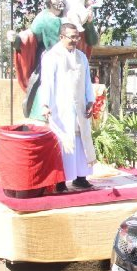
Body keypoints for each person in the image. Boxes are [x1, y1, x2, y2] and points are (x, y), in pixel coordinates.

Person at [40, 23, 97, 192]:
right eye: (71, 37)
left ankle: (81, 178)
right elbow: (47, 82)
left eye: (77, 37)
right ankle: (60, 181)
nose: (75, 40)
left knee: (81, 140)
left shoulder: (82, 57)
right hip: (60, 108)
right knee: (63, 142)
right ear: (61, 37)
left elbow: (87, 81)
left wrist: (90, 101)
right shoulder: (51, 56)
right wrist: (45, 104)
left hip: (79, 107)